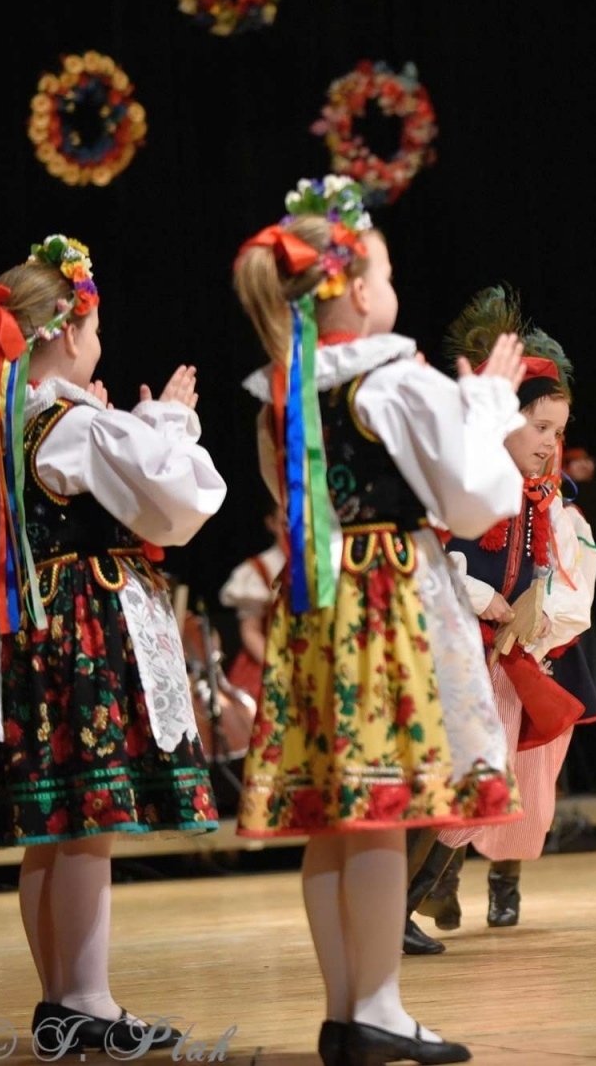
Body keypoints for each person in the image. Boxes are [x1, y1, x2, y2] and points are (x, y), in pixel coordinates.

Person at [230, 177, 528, 1066]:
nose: (392, 283)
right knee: (377, 810)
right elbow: (473, 502)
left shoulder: (285, 391)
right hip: (386, 597)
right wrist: (489, 406)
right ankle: (379, 1008)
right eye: (386, 268)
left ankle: (346, 1009)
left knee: (336, 812)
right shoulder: (392, 378)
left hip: (318, 602)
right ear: (358, 288)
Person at [0, 236, 227, 1054]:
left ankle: (63, 996)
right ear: (69, 334)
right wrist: (173, 422)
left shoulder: (11, 424)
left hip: (30, 633)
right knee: (85, 821)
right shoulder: (74, 424)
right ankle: (84, 997)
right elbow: (177, 503)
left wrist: (138, 422)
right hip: (76, 631)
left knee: (55, 823)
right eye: (95, 327)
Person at [402, 288, 596, 954]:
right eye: (540, 429)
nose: (550, 445)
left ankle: (405, 905)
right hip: (450, 651)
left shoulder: (532, 495)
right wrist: (476, 592)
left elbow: (538, 570)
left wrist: (534, 611)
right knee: (449, 783)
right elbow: (422, 550)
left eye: (556, 432)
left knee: (479, 786)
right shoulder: (470, 480)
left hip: (496, 658)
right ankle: (394, 909)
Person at [217, 504, 285, 704]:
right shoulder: (260, 568)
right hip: (267, 661)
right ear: (271, 523)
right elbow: (251, 631)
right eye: (285, 523)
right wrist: (278, 667)